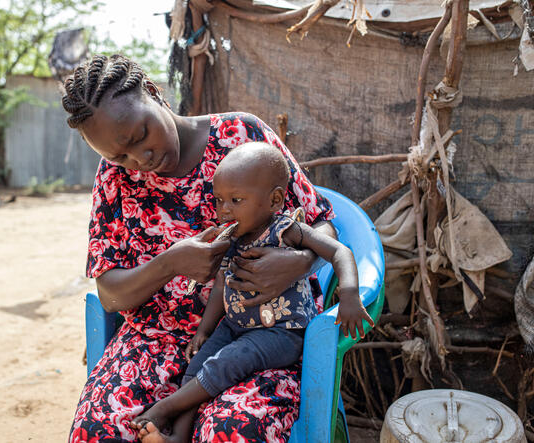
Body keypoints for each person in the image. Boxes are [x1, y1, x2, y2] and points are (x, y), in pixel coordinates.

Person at [63, 53, 338, 442]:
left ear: (155, 93)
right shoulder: (113, 180)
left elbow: (320, 221)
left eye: (141, 135)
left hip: (259, 338)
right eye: (119, 156)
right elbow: (109, 294)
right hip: (154, 342)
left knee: (230, 429)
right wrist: (171, 262)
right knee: (99, 429)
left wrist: (298, 263)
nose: (140, 160)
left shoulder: (243, 136)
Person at [129, 142, 374, 443]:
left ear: (274, 200)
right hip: (236, 326)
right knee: (195, 366)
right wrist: (204, 330)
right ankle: (179, 436)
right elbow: (222, 283)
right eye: (219, 200)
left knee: (229, 361)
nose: (224, 209)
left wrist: (349, 295)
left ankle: (164, 409)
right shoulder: (231, 236)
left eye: (236, 199)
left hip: (282, 332)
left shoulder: (286, 230)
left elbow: (339, 252)